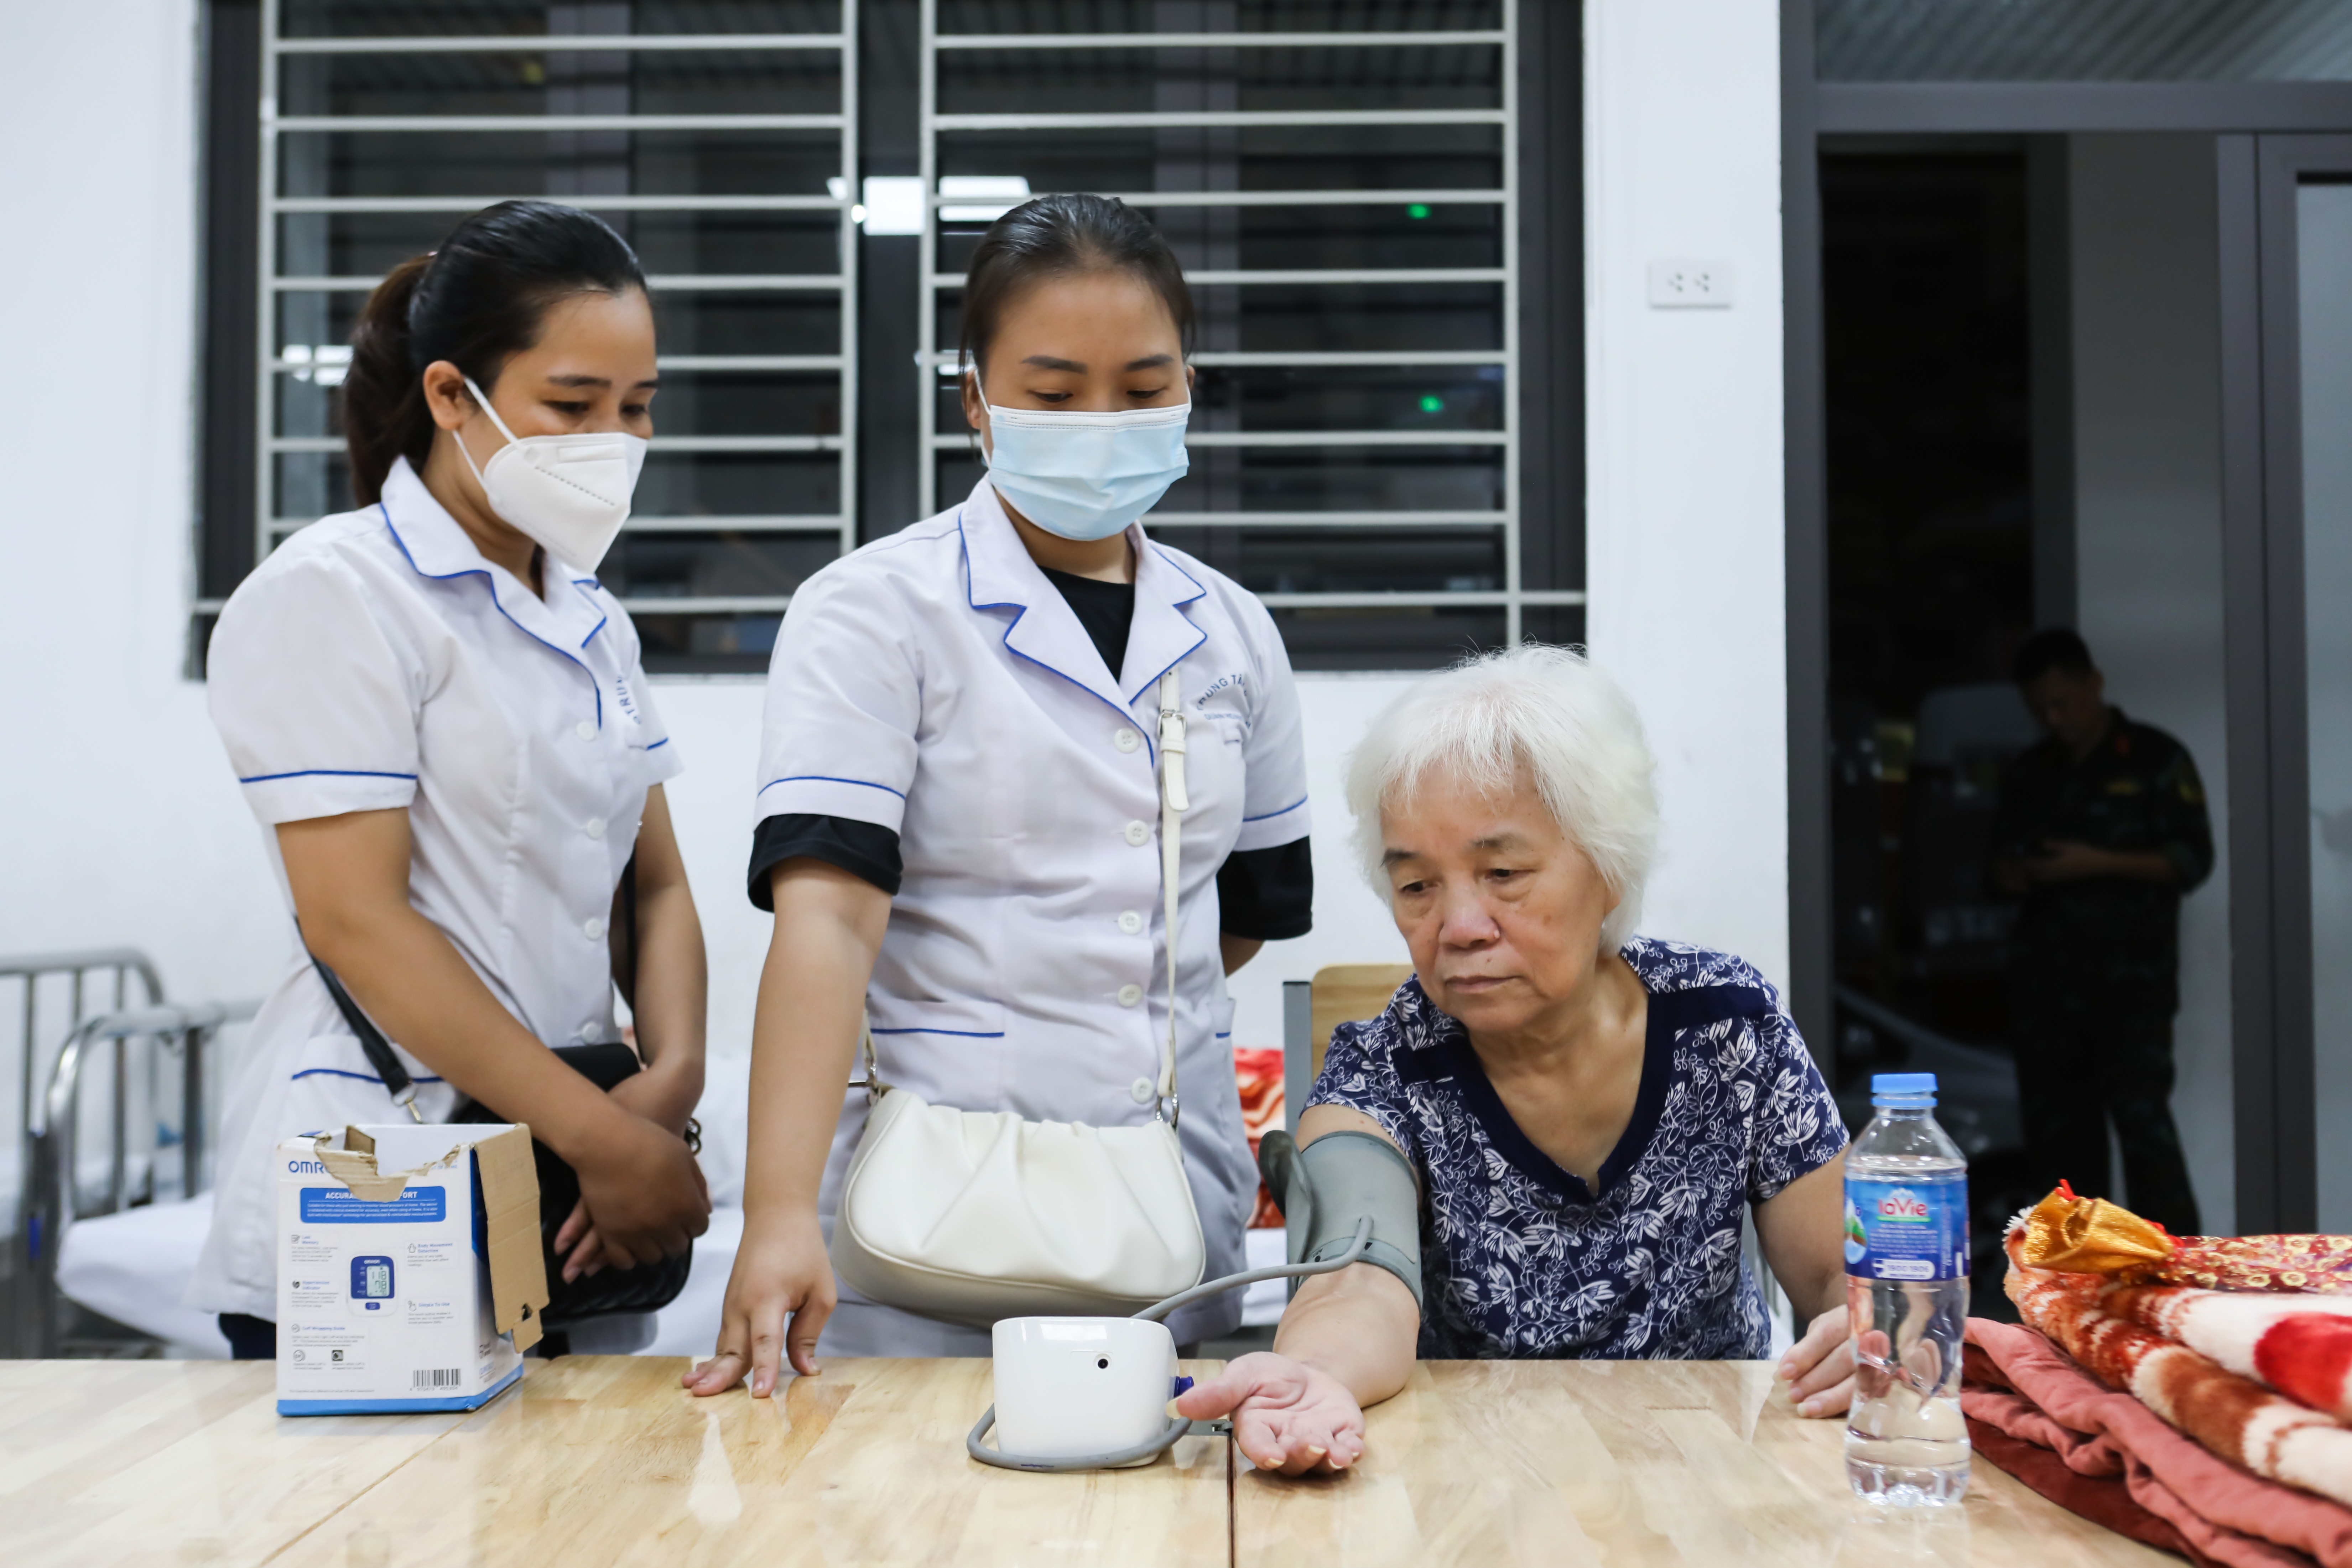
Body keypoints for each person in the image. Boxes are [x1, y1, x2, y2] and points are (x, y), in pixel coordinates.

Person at [683, 194, 1313, 1396]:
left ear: (1187, 389)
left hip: (1168, 1209)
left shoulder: (1233, 632)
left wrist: (1103, 1005)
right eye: (1054, 391)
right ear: (974, 400)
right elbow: (827, 922)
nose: (1101, 423)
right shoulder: (873, 611)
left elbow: (1242, 912)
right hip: (927, 1215)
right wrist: (775, 1211)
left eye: (1141, 387)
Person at [194, 201, 712, 1357]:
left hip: (572, 1181)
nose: (613, 439)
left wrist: (669, 1082)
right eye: (571, 405)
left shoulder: (591, 616)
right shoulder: (336, 591)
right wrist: (600, 1135)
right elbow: (356, 920)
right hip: (385, 1167)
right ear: (449, 395)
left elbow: (657, 885)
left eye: (636, 406)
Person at [1175, 646, 1858, 1473]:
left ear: (1607, 869)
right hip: (1473, 1486)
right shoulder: (1380, 1074)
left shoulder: (1724, 1025)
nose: (1459, 927)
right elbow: (1355, 1280)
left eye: (1502, 873)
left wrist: (1870, 1326)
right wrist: (1316, 1374)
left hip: (1712, 1470)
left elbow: (1841, 1275)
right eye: (1417, 886)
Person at [1994, 627, 2213, 1234]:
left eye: (2063, 703)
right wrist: (2014, 873)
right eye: (2041, 709)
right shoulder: (2033, 771)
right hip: (2048, 992)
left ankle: (2174, 1267)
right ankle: (2076, 1275)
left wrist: (2097, 863)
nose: (2055, 719)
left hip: (2130, 991)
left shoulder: (2154, 759)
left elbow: (2193, 861)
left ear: (2093, 684)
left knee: (2146, 1137)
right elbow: (1996, 861)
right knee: (2061, 1149)